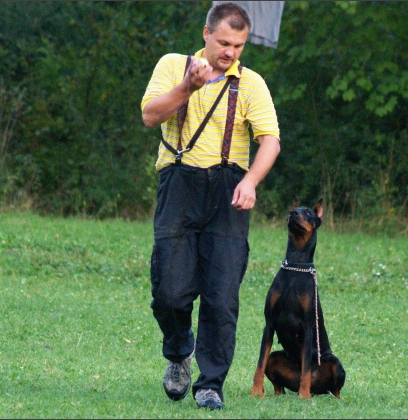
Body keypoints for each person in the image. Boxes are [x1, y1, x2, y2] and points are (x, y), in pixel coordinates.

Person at [140, 1, 280, 410]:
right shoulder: (172, 65)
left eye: (239, 45)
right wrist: (188, 88)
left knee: (222, 296)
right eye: (224, 42)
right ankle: (178, 351)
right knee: (170, 291)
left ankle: (210, 383)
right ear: (206, 34)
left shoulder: (251, 83)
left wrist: (251, 180)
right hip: (178, 186)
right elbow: (150, 116)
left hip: (228, 192)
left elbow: (270, 139)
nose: (231, 52)